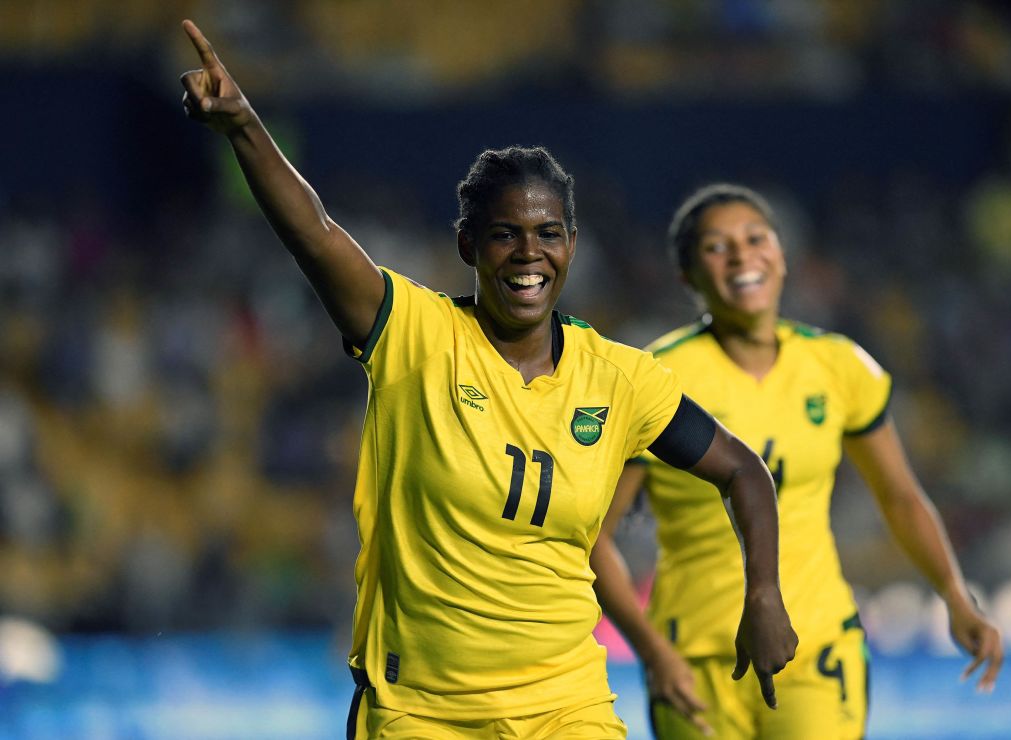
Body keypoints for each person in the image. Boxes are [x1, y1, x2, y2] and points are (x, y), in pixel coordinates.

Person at [179, 21, 797, 739]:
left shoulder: (622, 379)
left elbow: (744, 472)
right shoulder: (413, 333)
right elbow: (315, 235)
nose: (528, 253)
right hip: (422, 710)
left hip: (567, 707)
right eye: (505, 233)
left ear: (571, 245)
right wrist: (245, 126)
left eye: (549, 233)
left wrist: (765, 596)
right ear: (468, 243)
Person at [591, 184, 1005, 738]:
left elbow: (900, 497)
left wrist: (957, 596)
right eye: (717, 246)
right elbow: (594, 533)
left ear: (783, 256)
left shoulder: (839, 366)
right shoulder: (655, 377)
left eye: (756, 238)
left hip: (815, 646)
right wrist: (651, 651)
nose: (741, 255)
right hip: (694, 659)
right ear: (687, 276)